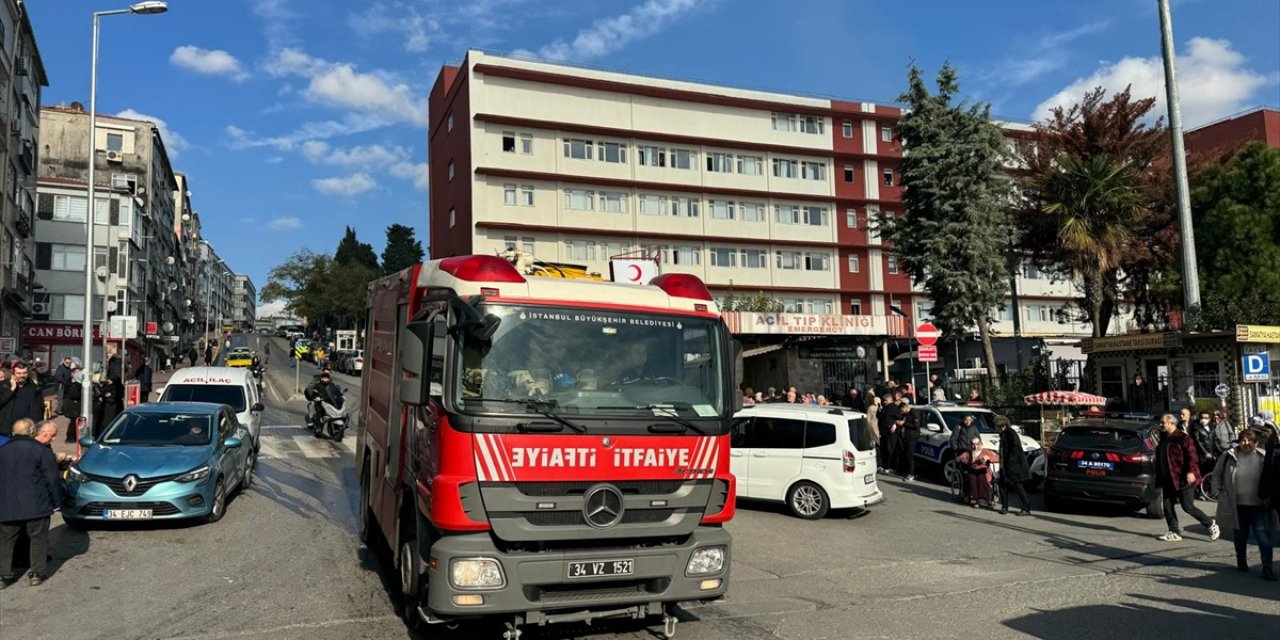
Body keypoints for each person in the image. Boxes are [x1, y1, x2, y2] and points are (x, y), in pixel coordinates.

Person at [0, 418, 62, 588]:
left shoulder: (3, 450)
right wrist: (57, 501)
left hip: (7, 505)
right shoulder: (40, 450)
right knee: (38, 538)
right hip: (36, 503)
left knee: (6, 540)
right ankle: (36, 573)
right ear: (32, 431)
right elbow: (52, 479)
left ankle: (3, 575)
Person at [1212, 430, 1276, 580]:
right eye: (1243, 440)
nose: (1246, 443)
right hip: (1237, 505)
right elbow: (1217, 475)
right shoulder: (1229, 456)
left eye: (1250, 441)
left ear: (1256, 442)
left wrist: (1269, 497)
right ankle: (1241, 561)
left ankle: (1267, 566)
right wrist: (1219, 494)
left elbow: (1271, 477)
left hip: (1259, 504)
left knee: (1263, 536)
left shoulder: (1263, 456)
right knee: (1241, 536)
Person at [1155, 413, 1219, 542]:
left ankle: (1210, 524)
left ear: (1171, 423)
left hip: (1183, 479)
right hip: (1168, 478)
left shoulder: (1183, 438)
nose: (1161, 425)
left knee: (1188, 506)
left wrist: (1190, 472)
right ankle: (1174, 531)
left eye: (1163, 422)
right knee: (1167, 505)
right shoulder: (1164, 438)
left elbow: (1192, 456)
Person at [0, 362, 48, 438]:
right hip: (6, 430)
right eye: (19, 373)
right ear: (13, 372)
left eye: (24, 373)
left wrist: (38, 427)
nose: (22, 376)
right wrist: (11, 389)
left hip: (27, 429)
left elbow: (40, 408)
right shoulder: (3, 386)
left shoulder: (34, 388)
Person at [997, 418, 1032, 515]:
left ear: (1002, 425)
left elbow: (1015, 448)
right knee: (1003, 486)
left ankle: (1026, 508)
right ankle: (1004, 507)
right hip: (1005, 465)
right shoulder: (1004, 433)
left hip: (1014, 466)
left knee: (1018, 487)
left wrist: (1009, 461)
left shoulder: (1010, 433)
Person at [957, 436, 999, 508]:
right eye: (973, 445)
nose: (975, 446)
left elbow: (997, 458)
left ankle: (985, 499)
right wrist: (961, 459)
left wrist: (988, 458)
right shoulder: (968, 453)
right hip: (973, 470)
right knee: (972, 478)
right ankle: (974, 498)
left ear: (980, 444)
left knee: (981, 478)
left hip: (984, 470)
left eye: (977, 444)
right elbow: (958, 459)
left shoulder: (985, 451)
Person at [61, 364, 85, 443]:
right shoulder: (71, 383)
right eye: (77, 372)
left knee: (75, 421)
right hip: (72, 406)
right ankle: (70, 437)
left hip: (74, 405)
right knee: (73, 422)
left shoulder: (76, 383)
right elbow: (73, 394)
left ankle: (74, 436)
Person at [898, 399, 920, 481]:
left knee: (910, 455)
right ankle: (910, 471)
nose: (901, 412)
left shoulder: (914, 413)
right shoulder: (906, 415)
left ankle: (911, 474)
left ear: (905, 407)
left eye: (902, 410)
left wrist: (904, 423)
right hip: (907, 437)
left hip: (912, 437)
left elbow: (916, 425)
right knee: (908, 455)